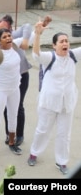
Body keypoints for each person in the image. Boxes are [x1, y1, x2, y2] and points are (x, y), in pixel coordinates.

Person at [27, 22, 81, 175]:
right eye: (62, 41)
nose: (65, 44)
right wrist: (37, 34)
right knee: (43, 130)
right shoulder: (49, 57)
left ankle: (62, 162)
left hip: (67, 103)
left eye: (67, 41)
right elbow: (36, 54)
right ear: (54, 45)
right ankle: (34, 153)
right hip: (49, 103)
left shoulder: (72, 55)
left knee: (64, 134)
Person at [0, 15, 52, 147]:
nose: (1, 33)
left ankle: (19, 135)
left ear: (10, 30)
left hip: (22, 76)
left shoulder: (15, 38)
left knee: (18, 106)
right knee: (5, 107)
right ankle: (9, 134)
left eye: (3, 29)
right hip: (6, 80)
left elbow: (29, 29)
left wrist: (41, 25)